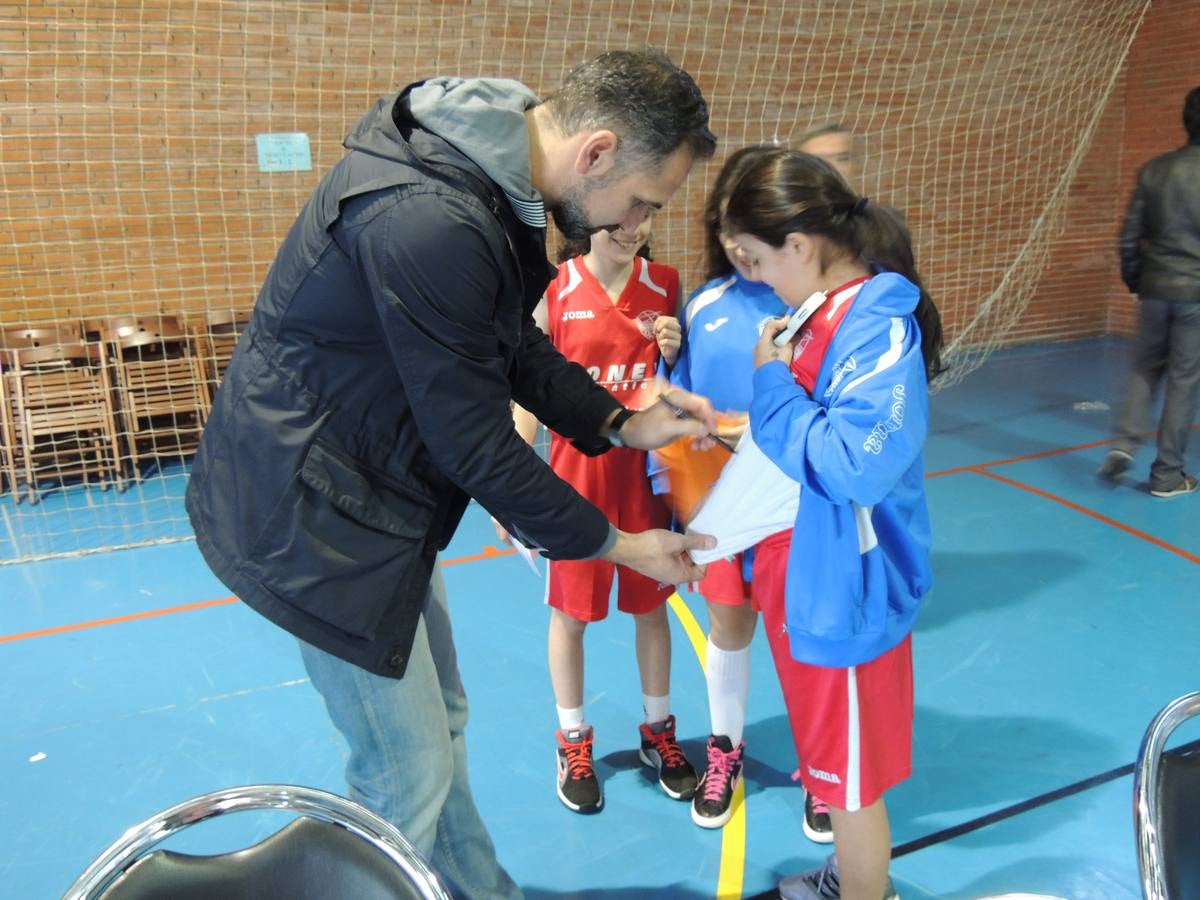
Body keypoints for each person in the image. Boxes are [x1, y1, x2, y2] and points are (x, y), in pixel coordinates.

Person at [185, 49, 718, 900]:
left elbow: (508, 340)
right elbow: (474, 443)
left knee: (444, 734)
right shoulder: (429, 217)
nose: (637, 219)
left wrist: (617, 423)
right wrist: (617, 544)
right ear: (597, 153)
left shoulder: (487, 174)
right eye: (643, 201)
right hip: (320, 521)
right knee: (401, 779)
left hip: (378, 500)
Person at [720, 149, 943, 900]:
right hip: (814, 573)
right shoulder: (820, 318)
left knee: (848, 780)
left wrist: (770, 382)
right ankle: (848, 877)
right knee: (830, 759)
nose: (755, 278)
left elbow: (852, 462)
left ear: (801, 246)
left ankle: (862, 891)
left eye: (758, 259)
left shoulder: (876, 330)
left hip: (849, 588)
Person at [656, 145, 832, 842]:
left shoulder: (814, 308)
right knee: (729, 631)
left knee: (799, 644)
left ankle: (825, 769)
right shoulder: (704, 304)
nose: (734, 245)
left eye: (745, 230)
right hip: (722, 513)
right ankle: (724, 751)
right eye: (724, 230)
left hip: (793, 511)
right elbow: (685, 404)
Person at [499, 221, 697, 815]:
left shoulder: (664, 285)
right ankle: (572, 739)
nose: (633, 228)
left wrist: (676, 355)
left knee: (651, 608)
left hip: (645, 479)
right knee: (570, 617)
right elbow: (528, 391)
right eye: (621, 215)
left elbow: (682, 389)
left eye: (646, 215)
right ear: (588, 222)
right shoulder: (555, 288)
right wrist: (512, 487)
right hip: (575, 479)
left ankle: (657, 729)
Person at [1098, 85, 1200, 498]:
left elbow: (1128, 239)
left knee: (1145, 368)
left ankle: (1124, 445)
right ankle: (1167, 476)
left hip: (1156, 288)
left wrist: (1138, 282)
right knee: (1183, 380)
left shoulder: (1155, 170)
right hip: (1195, 294)